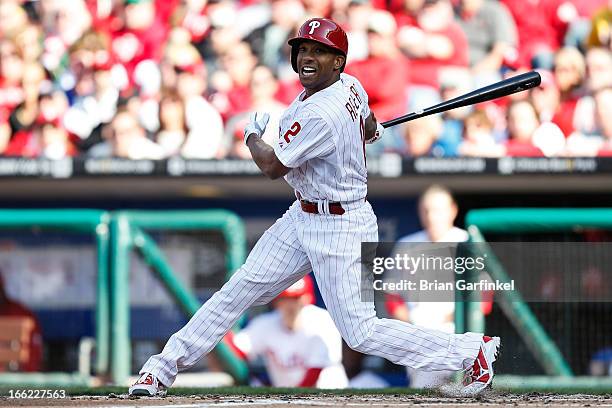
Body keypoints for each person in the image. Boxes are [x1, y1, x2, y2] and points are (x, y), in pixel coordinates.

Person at [129, 18, 499, 397]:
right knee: (235, 291)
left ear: (337, 61)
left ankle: (471, 351)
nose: (308, 56)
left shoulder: (321, 114)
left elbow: (272, 166)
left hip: (343, 226)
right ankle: (160, 369)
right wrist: (369, 129)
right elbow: (368, 124)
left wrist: (252, 135)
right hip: (302, 216)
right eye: (303, 49)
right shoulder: (351, 85)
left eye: (319, 51)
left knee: (361, 332)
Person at [227, 276, 348, 388]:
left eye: (295, 298)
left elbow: (314, 374)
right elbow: (239, 351)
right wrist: (223, 333)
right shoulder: (266, 323)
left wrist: (290, 400)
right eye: (284, 299)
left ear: (306, 298)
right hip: (291, 396)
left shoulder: (322, 320)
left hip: (328, 394)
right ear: (276, 302)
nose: (290, 305)